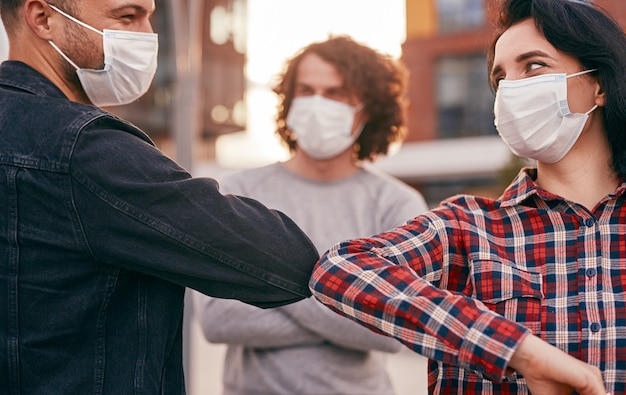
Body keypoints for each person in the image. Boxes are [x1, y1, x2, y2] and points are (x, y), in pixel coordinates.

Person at [0, 0, 320, 393]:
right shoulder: (85, 149)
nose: (147, 36)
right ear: (43, 18)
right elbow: (285, 263)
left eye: (150, 17)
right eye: (126, 17)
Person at [309, 0, 625, 394]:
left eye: (533, 66)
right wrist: (517, 351)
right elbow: (340, 268)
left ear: (599, 85)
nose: (511, 89)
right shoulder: (466, 225)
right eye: (501, 77)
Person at [197, 36, 429, 395]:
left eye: (336, 93)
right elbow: (218, 319)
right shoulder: (238, 192)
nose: (318, 103)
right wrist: (347, 298)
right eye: (306, 90)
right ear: (289, 100)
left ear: (367, 108)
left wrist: (270, 280)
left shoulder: (396, 203)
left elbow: (392, 330)